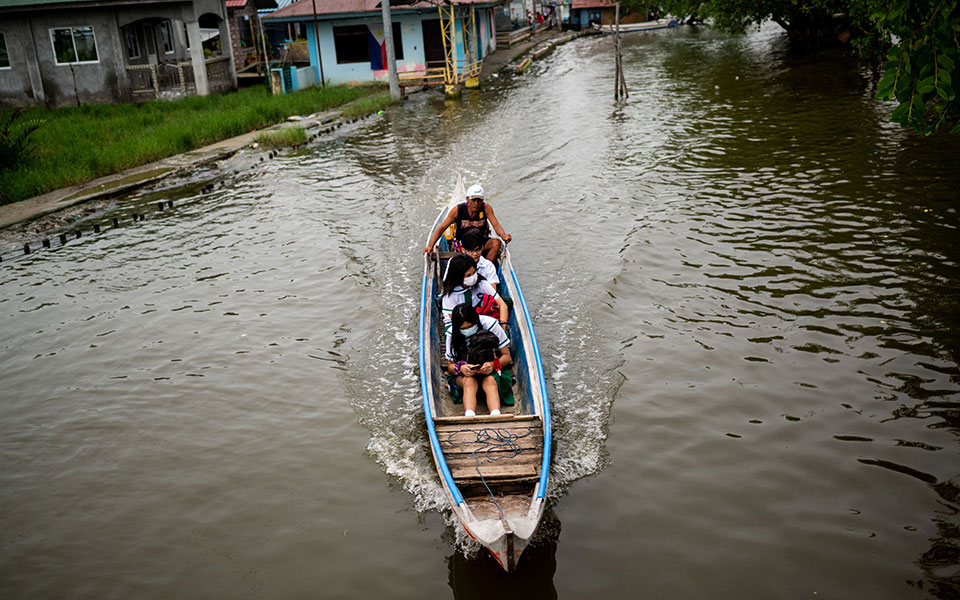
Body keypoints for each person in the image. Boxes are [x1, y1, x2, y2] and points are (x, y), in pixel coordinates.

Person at [446, 304, 513, 416]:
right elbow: (450, 366)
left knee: (490, 381)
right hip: (465, 375)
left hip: (491, 370)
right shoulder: (451, 334)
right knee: (469, 381)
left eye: (470, 326)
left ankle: (496, 415)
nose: (467, 330)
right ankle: (470, 415)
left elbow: (506, 357)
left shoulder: (491, 325)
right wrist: (461, 368)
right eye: (463, 329)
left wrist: (492, 364)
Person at [423, 183, 511, 263]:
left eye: (479, 200)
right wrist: (431, 246)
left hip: (480, 242)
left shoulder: (486, 208)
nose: (476, 204)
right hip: (462, 243)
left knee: (496, 243)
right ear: (467, 199)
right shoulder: (457, 210)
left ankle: (486, 267)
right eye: (473, 200)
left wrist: (503, 235)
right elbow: (442, 228)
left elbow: (495, 225)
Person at [440, 254, 509, 336]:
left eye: (474, 273)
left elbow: (503, 305)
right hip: (458, 327)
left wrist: (502, 328)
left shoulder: (481, 283)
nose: (473, 277)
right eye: (468, 275)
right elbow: (457, 322)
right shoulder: (449, 295)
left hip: (476, 321)